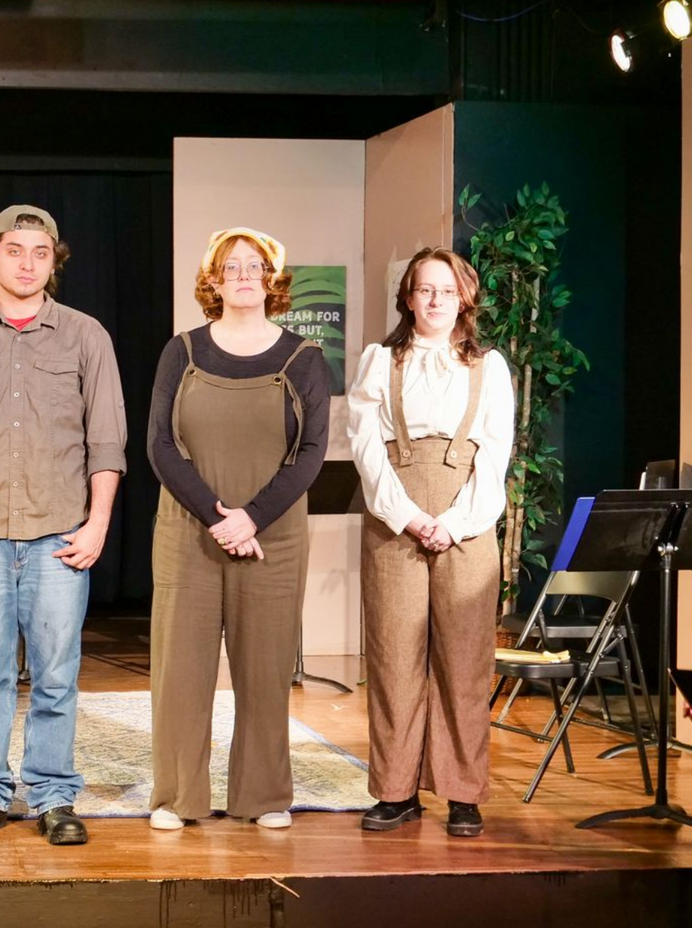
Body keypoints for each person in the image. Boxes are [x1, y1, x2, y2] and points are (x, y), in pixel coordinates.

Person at [0, 204, 126, 845]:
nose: (27, 262)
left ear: (54, 262)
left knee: (57, 673)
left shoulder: (86, 336)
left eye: (40, 252)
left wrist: (98, 523)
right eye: (14, 250)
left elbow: (107, 439)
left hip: (60, 534)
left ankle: (51, 794)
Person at [146, 227, 329, 831]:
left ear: (273, 280)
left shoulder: (304, 359)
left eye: (256, 266)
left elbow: (310, 455)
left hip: (272, 535)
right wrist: (219, 517)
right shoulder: (183, 351)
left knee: (266, 668)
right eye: (232, 266)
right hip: (187, 530)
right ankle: (177, 797)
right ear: (214, 279)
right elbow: (160, 446)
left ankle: (264, 797)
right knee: (181, 671)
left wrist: (252, 518)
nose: (244, 275)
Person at [347, 246, 513, 837]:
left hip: (465, 518)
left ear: (463, 297)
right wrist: (411, 517)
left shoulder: (488, 367)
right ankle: (396, 791)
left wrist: (457, 522)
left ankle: (463, 793)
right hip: (395, 519)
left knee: (465, 663)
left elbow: (495, 457)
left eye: (446, 290)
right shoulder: (379, 361)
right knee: (394, 659)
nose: (435, 300)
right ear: (408, 297)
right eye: (424, 289)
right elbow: (367, 451)